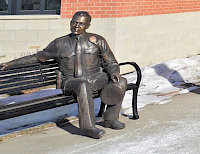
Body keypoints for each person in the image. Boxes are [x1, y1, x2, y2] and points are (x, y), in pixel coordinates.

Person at [0, 11, 128, 139]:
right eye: (74, 22)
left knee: (121, 81)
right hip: (71, 82)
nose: (76, 26)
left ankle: (111, 119)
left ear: (88, 25)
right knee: (82, 84)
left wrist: (114, 72)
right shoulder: (59, 43)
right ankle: (88, 126)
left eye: (81, 23)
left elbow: (111, 61)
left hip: (95, 78)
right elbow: (38, 57)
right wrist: (11, 63)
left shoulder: (98, 40)